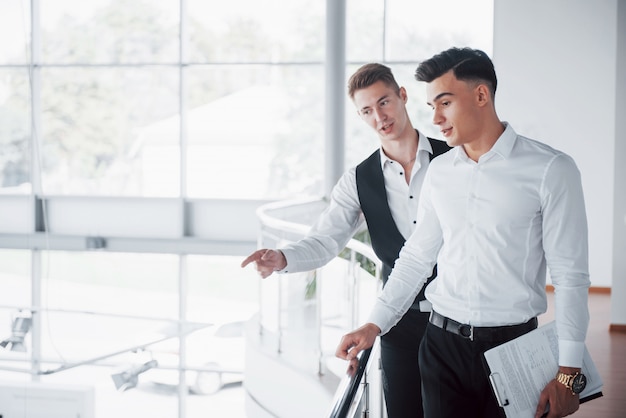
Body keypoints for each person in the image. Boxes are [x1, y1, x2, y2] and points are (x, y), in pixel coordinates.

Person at [335, 47, 590, 418]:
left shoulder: (551, 169)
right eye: (431, 107)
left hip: (513, 347)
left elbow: (570, 275)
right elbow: (416, 258)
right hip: (441, 348)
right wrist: (374, 323)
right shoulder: (440, 172)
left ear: (481, 95)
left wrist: (569, 373)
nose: (435, 118)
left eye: (445, 103)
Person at [241, 63, 451, 418]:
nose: (379, 117)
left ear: (402, 96)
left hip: (457, 320)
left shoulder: (455, 159)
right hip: (398, 324)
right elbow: (325, 240)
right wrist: (282, 257)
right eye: (367, 111)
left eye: (384, 102)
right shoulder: (358, 180)